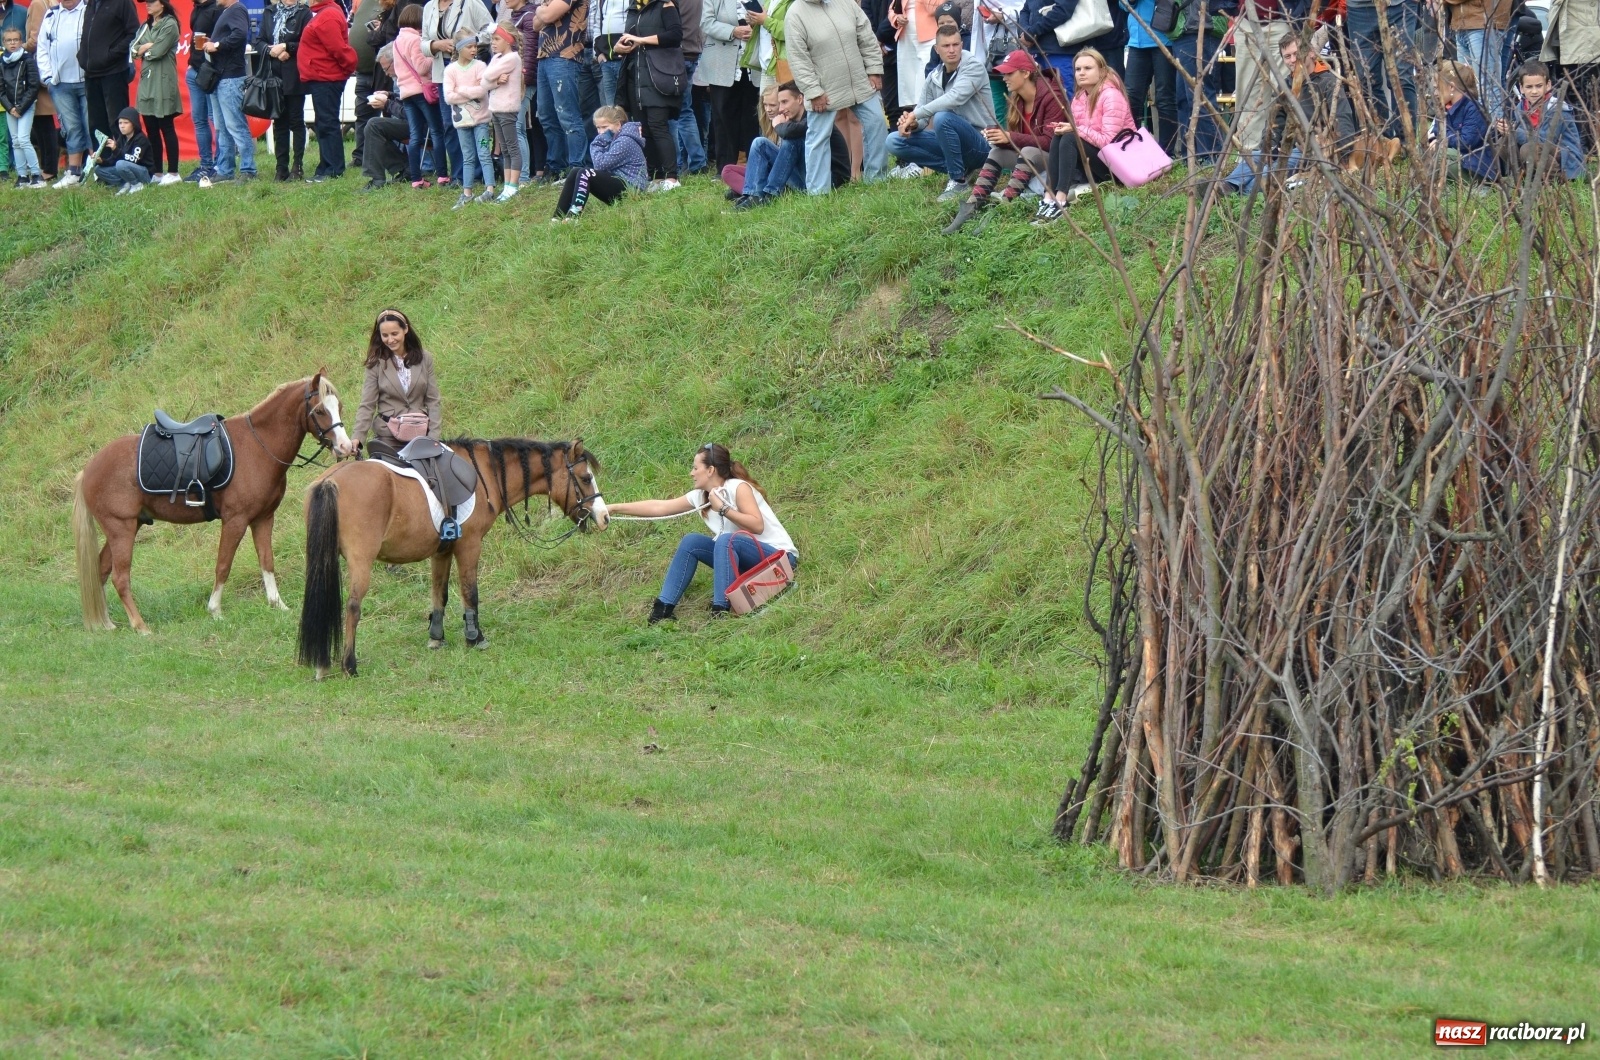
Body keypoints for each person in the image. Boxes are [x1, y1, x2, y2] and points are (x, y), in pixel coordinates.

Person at [610, 443, 798, 623]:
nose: (691, 473)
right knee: (691, 542)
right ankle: (662, 610)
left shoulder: (738, 487)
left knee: (726, 540)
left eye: (695, 468)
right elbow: (660, 507)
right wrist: (614, 508)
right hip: (747, 560)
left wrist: (723, 509)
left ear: (710, 470)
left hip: (779, 559)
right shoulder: (700, 496)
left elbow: (757, 526)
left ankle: (720, 610)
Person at [942, 48, 1063, 232]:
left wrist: (1010, 137)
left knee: (1028, 151)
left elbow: (1051, 142)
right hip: (1030, 160)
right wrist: (1000, 139)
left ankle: (1004, 205)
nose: (1004, 77)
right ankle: (971, 206)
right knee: (996, 152)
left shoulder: (1052, 96)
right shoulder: (1017, 97)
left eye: (1009, 73)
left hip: (1054, 163)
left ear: (1025, 73)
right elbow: (1018, 141)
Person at [785, 0, 889, 193]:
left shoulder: (846, 3)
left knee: (877, 123)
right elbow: (798, 59)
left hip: (860, 82)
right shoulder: (795, 14)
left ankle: (877, 181)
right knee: (818, 139)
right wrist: (813, 91)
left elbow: (866, 36)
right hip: (824, 91)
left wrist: (874, 68)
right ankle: (818, 193)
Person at [886, 22, 996, 200]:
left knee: (943, 117)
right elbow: (922, 117)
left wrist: (916, 113)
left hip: (981, 143)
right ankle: (959, 167)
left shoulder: (974, 67)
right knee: (894, 141)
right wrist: (913, 123)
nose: (951, 50)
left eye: (955, 44)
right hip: (951, 141)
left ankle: (958, 180)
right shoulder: (934, 76)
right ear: (937, 49)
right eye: (946, 46)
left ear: (962, 45)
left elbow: (954, 98)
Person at [1033, 45, 1130, 223]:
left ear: (1101, 71)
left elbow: (1108, 142)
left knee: (1070, 137)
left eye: (1087, 68)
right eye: (1078, 69)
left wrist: (1075, 130)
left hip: (1118, 165)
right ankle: (1049, 195)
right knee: (1060, 134)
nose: (1081, 73)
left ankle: (1061, 200)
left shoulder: (1112, 96)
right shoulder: (1079, 97)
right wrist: (1067, 128)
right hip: (1095, 162)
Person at [342, 308, 442, 462]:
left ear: (406, 329)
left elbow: (433, 401)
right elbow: (367, 405)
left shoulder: (425, 358)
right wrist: (357, 438)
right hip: (388, 438)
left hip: (420, 436)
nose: (390, 340)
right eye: (385, 335)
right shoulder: (375, 364)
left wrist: (433, 437)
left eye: (394, 334)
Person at [733, 77, 846, 205]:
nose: (780, 109)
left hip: (829, 181)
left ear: (799, 99)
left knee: (792, 142)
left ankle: (771, 194)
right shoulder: (791, 121)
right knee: (760, 143)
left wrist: (777, 125)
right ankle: (753, 195)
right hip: (806, 176)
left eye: (785, 102)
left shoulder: (813, 117)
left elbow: (790, 132)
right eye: (779, 103)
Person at [615, 0, 688, 190]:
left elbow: (675, 35)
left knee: (658, 126)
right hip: (635, 77)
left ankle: (672, 177)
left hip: (658, 75)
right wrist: (618, 47)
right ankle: (655, 176)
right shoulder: (633, 9)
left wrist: (641, 40)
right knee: (643, 128)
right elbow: (628, 38)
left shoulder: (666, 4)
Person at [424, 0, 493, 185]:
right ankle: (459, 175)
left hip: (471, 68)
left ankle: (480, 175)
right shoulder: (429, 6)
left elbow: (490, 29)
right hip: (444, 69)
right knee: (451, 124)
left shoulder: (471, 2)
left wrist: (467, 44)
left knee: (477, 122)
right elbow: (423, 43)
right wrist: (436, 45)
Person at [1494, 59, 1586, 180]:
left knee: (1529, 149)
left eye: (1539, 86)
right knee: (1503, 142)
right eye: (1529, 87)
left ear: (1548, 85)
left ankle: (1555, 180)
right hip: (1539, 156)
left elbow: (1545, 140)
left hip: (1566, 163)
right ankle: (1525, 178)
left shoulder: (1557, 109)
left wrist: (1514, 131)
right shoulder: (1520, 108)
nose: (1534, 91)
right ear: (1521, 88)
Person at [300, 0, 358, 181]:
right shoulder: (324, 13)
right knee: (323, 123)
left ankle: (334, 168)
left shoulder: (328, 16)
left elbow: (338, 49)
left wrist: (347, 67)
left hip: (327, 77)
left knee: (327, 123)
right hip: (321, 76)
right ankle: (325, 166)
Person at [553, 103, 646, 215]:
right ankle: (557, 218)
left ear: (618, 124)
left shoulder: (625, 141)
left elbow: (600, 165)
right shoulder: (615, 137)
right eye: (598, 128)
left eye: (605, 127)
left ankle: (573, 216)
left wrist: (596, 143)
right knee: (575, 171)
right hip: (621, 182)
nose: (601, 132)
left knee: (585, 173)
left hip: (632, 190)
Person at [202, 0, 257, 184]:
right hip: (220, 77)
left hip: (231, 77)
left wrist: (216, 45)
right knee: (221, 127)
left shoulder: (237, 9)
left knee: (235, 125)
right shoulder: (228, 11)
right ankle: (225, 169)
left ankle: (248, 170)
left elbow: (241, 34)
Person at [701, 0, 758, 175]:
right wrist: (733, 31)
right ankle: (725, 167)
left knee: (753, 115)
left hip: (753, 63)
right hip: (722, 63)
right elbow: (706, 22)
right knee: (723, 115)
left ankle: (754, 164)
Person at [534, 0, 589, 175]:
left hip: (565, 57)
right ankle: (556, 167)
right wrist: (544, 10)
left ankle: (576, 167)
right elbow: (536, 24)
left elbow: (547, 16)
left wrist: (541, 10)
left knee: (568, 116)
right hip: (545, 56)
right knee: (546, 115)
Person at [395, 4, 448, 186]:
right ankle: (443, 175)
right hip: (422, 91)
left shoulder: (397, 41)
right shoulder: (415, 40)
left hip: (406, 92)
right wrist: (434, 54)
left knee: (414, 136)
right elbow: (421, 67)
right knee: (437, 131)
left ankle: (416, 179)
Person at [39, 0, 90, 186]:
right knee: (71, 128)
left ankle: (96, 171)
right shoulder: (51, 15)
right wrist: (47, 77)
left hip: (87, 80)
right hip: (60, 84)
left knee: (91, 125)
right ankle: (74, 173)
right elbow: (42, 47)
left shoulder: (88, 9)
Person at [260, 0, 311, 182]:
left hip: (295, 74)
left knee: (296, 120)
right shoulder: (269, 12)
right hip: (273, 75)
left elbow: (307, 41)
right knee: (279, 121)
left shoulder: (304, 13)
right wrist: (272, 50)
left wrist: (288, 47)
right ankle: (280, 167)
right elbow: (259, 40)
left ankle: (297, 166)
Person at [130, 0, 180, 185]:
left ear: (163, 3)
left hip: (163, 81)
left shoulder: (170, 24)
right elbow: (133, 49)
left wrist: (145, 49)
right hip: (147, 82)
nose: (148, 5)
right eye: (146, 2)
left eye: (152, 1)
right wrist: (144, 48)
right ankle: (157, 171)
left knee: (166, 126)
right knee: (151, 128)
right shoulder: (145, 26)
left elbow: (158, 51)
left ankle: (173, 172)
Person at [444, 28, 494, 205]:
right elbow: (449, 96)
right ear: (459, 48)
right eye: (469, 47)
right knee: (468, 156)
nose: (474, 50)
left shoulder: (480, 66)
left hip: (481, 120)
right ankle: (467, 192)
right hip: (462, 122)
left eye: (475, 46)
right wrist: (470, 93)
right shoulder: (450, 70)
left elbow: (482, 90)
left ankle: (490, 189)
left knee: (483, 152)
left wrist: (462, 90)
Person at [76, 0, 137, 143]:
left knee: (118, 122)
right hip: (91, 73)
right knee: (96, 125)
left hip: (114, 71)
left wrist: (111, 54)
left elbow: (134, 33)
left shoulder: (123, 3)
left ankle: (122, 159)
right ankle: (103, 162)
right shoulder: (91, 3)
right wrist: (82, 56)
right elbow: (87, 34)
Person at [1121, 0, 1176, 154]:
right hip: (1136, 41)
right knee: (1131, 98)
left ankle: (1167, 153)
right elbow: (1122, 5)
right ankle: (1134, 149)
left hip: (1163, 38)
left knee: (1165, 98)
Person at [359, 44, 414, 188]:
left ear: (395, 62)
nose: (386, 74)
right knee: (375, 128)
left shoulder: (411, 78)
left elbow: (410, 113)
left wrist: (387, 104)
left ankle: (377, 179)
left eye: (386, 69)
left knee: (374, 125)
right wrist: (389, 95)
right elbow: (405, 102)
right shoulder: (405, 77)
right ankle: (405, 169)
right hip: (416, 124)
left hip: (422, 126)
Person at [1447, 0, 1512, 119]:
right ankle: (1475, 132)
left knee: (1487, 86)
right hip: (1463, 23)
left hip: (1483, 22)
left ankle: (1494, 134)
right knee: (1466, 85)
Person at [1434, 59, 1496, 180]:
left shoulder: (1474, 108)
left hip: (1476, 165)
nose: (1435, 93)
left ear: (1452, 87)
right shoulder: (1444, 107)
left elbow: (1466, 142)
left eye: (1438, 88)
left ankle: (1480, 185)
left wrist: (1442, 140)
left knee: (1438, 153)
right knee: (1423, 149)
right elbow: (1437, 130)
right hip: (1460, 156)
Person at [484, 23, 524, 198]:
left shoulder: (512, 58)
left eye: (497, 39)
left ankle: (513, 186)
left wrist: (491, 79)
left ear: (508, 40)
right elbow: (484, 83)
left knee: (512, 147)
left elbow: (485, 76)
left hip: (507, 108)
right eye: (492, 39)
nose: (493, 43)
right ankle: (507, 185)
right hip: (496, 108)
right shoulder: (497, 58)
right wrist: (496, 82)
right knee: (505, 149)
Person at [0, 27, 44, 186]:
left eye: (16, 40)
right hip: (10, 108)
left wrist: (20, 108)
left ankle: (36, 175)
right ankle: (22, 176)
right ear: (4, 43)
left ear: (21, 41)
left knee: (24, 139)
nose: (12, 43)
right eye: (9, 40)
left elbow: (33, 87)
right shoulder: (2, 61)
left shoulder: (28, 60)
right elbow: (1, 89)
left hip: (25, 106)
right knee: (15, 141)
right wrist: (10, 108)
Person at [184, 0, 221, 181]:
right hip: (195, 70)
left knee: (215, 119)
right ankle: (205, 165)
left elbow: (222, 38)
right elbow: (195, 37)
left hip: (210, 71)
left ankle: (220, 164)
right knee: (199, 119)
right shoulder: (197, 8)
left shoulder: (217, 8)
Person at [23, 0, 60, 182]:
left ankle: (49, 168)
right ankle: (49, 166)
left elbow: (35, 40)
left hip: (36, 69)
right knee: (44, 123)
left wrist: (14, 48)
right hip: (45, 67)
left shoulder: (38, 3)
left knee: (42, 122)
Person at [719, 81, 778, 193]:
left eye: (773, 105)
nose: (768, 109)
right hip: (765, 171)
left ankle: (753, 192)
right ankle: (751, 189)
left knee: (759, 143)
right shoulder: (767, 125)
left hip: (779, 175)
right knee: (727, 170)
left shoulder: (787, 125)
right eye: (765, 105)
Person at [91, 104, 151, 190]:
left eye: (126, 123)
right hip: (126, 169)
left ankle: (136, 185)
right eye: (120, 123)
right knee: (98, 169)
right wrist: (101, 161)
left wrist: (116, 149)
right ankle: (124, 184)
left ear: (133, 124)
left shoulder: (141, 139)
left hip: (144, 173)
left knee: (120, 164)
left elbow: (133, 160)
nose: (122, 126)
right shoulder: (122, 138)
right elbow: (113, 160)